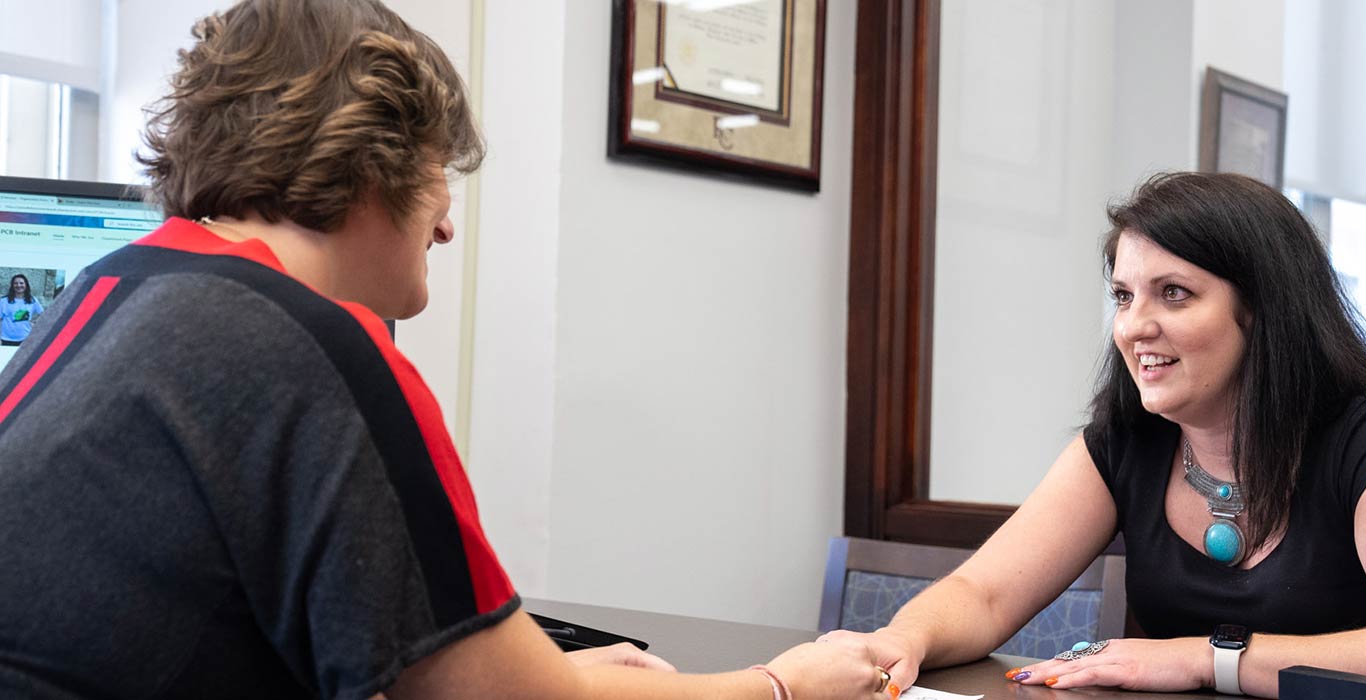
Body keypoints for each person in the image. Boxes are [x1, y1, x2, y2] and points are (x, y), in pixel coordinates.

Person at [0, 1, 895, 699]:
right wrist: (784, 683)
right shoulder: (317, 347)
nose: (449, 223)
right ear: (374, 158)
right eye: (439, 172)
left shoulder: (109, 288)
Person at [821, 172, 1366, 698]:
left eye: (1174, 293)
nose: (1132, 326)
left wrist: (1204, 657)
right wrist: (898, 643)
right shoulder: (1128, 441)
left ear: (1263, 311)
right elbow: (985, 595)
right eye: (1124, 295)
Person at [0, 274, 44, 346]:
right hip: (7, 339)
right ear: (12, 285)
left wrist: (35, 322)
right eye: (15, 283)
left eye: (21, 283)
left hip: (26, 338)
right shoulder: (4, 301)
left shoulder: (32, 300)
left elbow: (43, 314)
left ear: (26, 285)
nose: (18, 285)